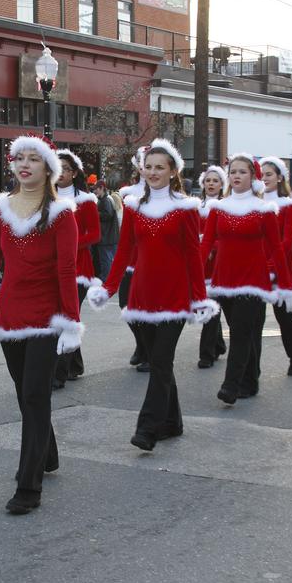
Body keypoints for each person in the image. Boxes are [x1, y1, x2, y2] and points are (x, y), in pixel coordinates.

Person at [0, 134, 82, 515]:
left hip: (46, 316)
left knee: (33, 395)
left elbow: (66, 270)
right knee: (25, 393)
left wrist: (71, 322)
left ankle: (29, 485)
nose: (24, 164)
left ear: (49, 168)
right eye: (19, 158)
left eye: (34, 159)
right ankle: (47, 455)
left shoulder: (62, 214)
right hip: (11, 316)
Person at [87, 139, 217, 451]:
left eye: (160, 167)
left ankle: (147, 428)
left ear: (173, 171)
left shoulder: (186, 209)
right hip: (142, 296)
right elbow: (124, 252)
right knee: (160, 364)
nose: (153, 172)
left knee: (160, 361)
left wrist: (199, 298)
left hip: (175, 296)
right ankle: (172, 421)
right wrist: (108, 288)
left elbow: (192, 258)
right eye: (149, 166)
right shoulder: (133, 206)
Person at [201, 153, 292, 404]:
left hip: (254, 280)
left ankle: (231, 385)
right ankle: (251, 379)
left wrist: (285, 286)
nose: (236, 176)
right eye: (233, 171)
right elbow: (206, 244)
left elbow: (276, 248)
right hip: (225, 280)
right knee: (243, 331)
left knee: (241, 333)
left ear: (253, 177)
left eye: (242, 172)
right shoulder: (218, 208)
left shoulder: (264, 209)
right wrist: (194, 277)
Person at [53, 149, 100, 389]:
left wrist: (70, 245)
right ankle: (75, 365)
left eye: (66, 169)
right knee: (65, 315)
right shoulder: (45, 197)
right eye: (57, 168)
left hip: (79, 269)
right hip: (51, 269)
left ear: (74, 173)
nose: (61, 173)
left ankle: (58, 373)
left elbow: (95, 233)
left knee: (67, 317)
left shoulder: (85, 200)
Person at [260, 157, 292, 376]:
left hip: (279, 266)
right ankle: (250, 371)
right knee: (251, 320)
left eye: (269, 174)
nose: (264, 178)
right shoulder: (254, 202)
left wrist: (271, 267)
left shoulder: (288, 205)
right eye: (261, 174)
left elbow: (287, 242)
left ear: (279, 177)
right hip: (254, 266)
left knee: (283, 315)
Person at [118, 149, 148, 372]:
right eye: (143, 163)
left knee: (148, 308)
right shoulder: (128, 194)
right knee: (124, 304)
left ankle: (148, 351)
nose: (146, 167)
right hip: (130, 259)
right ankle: (141, 342)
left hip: (151, 262)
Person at [196, 165, 227, 369]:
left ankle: (206, 354)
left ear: (221, 184)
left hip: (218, 263)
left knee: (211, 307)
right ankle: (218, 344)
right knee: (208, 307)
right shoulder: (196, 206)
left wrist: (210, 244)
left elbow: (225, 238)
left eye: (215, 181)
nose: (211, 184)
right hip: (200, 262)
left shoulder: (226, 207)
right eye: (208, 180)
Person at [93, 180, 119, 281]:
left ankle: (105, 279)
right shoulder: (105, 199)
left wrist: (96, 213)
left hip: (106, 237)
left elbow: (108, 215)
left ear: (102, 188)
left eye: (96, 189)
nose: (95, 191)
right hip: (108, 237)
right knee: (108, 260)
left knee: (106, 260)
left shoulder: (106, 200)